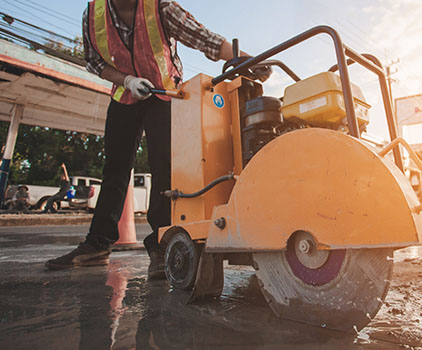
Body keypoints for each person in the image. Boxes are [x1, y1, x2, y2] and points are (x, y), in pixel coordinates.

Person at [45, 0, 270, 277]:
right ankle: (97, 244)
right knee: (115, 169)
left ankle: (161, 244)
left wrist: (246, 58)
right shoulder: (93, 14)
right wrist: (126, 79)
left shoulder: (160, 7)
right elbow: (94, 62)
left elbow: (205, 39)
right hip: (124, 96)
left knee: (163, 167)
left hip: (164, 95)